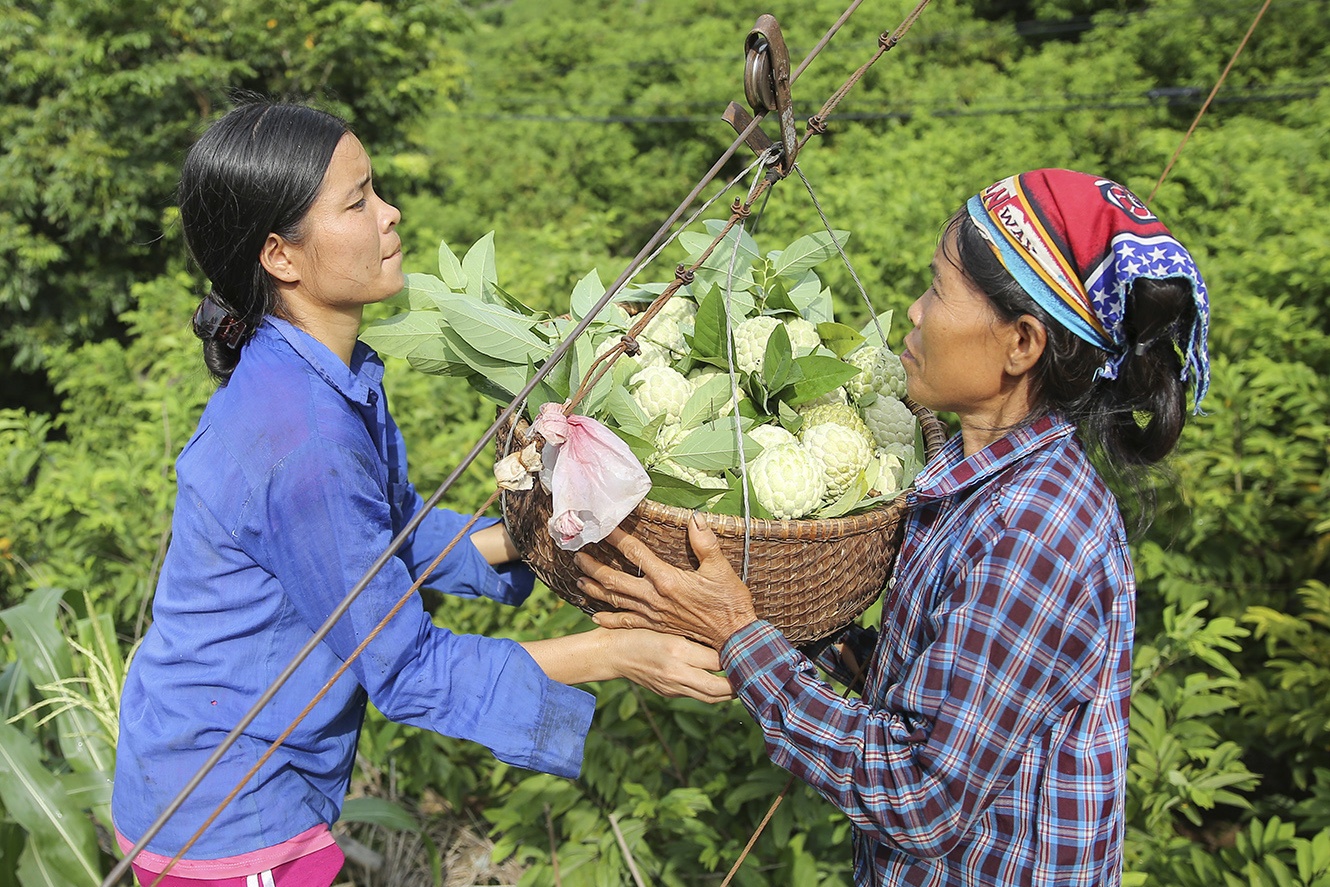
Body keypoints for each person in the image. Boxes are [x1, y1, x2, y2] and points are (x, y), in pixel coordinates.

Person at [112, 99, 731, 887]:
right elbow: (408, 670)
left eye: (378, 189)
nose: (390, 213)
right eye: (358, 200)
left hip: (213, 768)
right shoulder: (303, 440)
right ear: (281, 255)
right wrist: (620, 651)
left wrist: (537, 526)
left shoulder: (316, 378)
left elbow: (390, 535)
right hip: (225, 815)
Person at [575, 168, 1210, 886]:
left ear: (1022, 343)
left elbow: (921, 794)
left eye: (938, 290)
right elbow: (930, 683)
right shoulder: (978, 485)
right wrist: (789, 618)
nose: (912, 311)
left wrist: (740, 637)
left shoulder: (1034, 530)